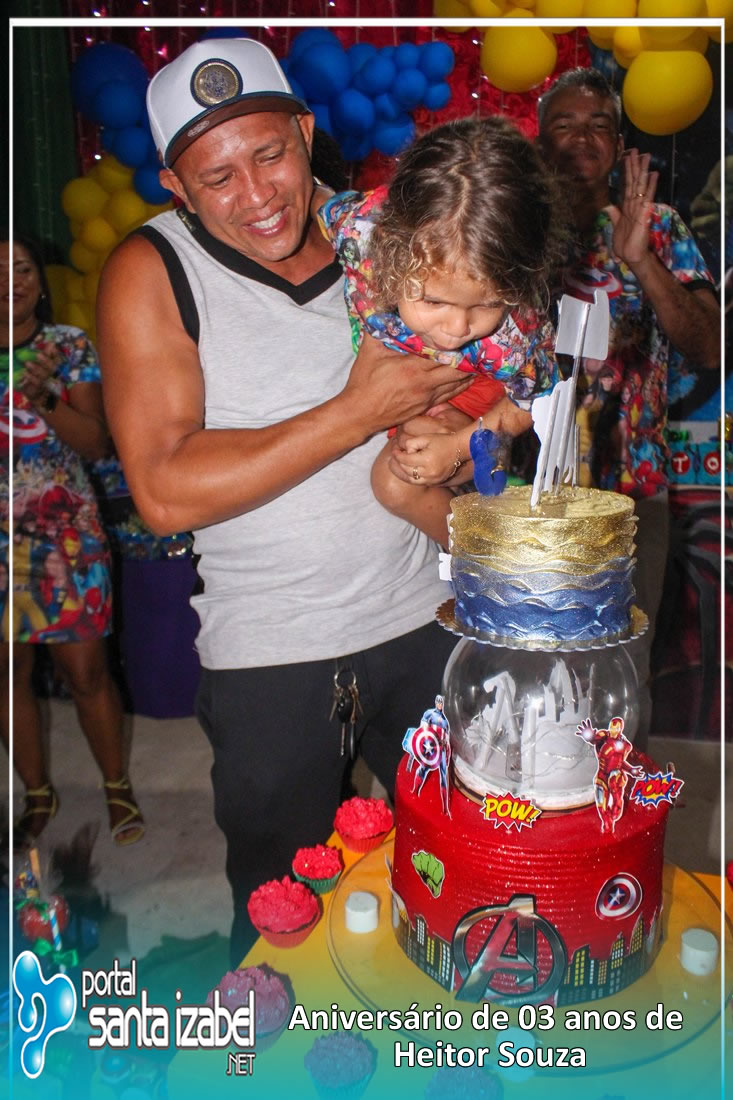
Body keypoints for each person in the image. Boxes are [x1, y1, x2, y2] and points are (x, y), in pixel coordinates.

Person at [96, 37, 473, 966]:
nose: (256, 194)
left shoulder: (382, 238)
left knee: (462, 879)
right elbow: (162, 490)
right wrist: (354, 413)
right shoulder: (153, 268)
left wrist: (464, 438)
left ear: (305, 133)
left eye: (269, 155)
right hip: (272, 650)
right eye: (216, 177)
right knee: (281, 925)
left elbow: (472, 375)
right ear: (176, 188)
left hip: (425, 617)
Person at [537, 68, 720, 747]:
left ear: (618, 145)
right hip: (529, 492)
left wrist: (641, 262)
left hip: (631, 492)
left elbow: (710, 346)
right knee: (530, 665)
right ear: (541, 141)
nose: (582, 138)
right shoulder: (516, 226)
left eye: (598, 126)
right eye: (564, 125)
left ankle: (616, 802)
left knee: (620, 674)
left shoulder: (659, 226)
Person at [317, 115, 560, 546]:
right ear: (391, 256)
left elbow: (532, 402)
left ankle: (499, 559)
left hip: (483, 382)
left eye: (487, 304)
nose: (457, 328)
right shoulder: (359, 232)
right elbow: (321, 204)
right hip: (415, 373)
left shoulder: (512, 335)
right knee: (411, 452)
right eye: (432, 301)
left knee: (392, 481)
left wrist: (459, 445)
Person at [0, 234, 144, 846]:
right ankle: (36, 791)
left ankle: (117, 786)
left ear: (40, 280)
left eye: (22, 268)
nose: (12, 281)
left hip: (64, 538)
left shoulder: (68, 347)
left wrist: (43, 399)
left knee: (86, 673)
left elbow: (96, 442)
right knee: (8, 674)